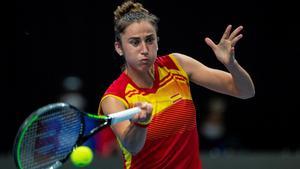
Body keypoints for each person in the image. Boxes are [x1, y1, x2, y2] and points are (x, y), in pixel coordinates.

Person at [98, 0, 255, 168]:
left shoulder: (177, 65)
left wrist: (231, 64)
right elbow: (133, 147)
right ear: (119, 48)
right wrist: (140, 123)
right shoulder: (114, 98)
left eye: (150, 40)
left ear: (157, 41)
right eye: (135, 42)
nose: (144, 49)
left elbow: (245, 91)